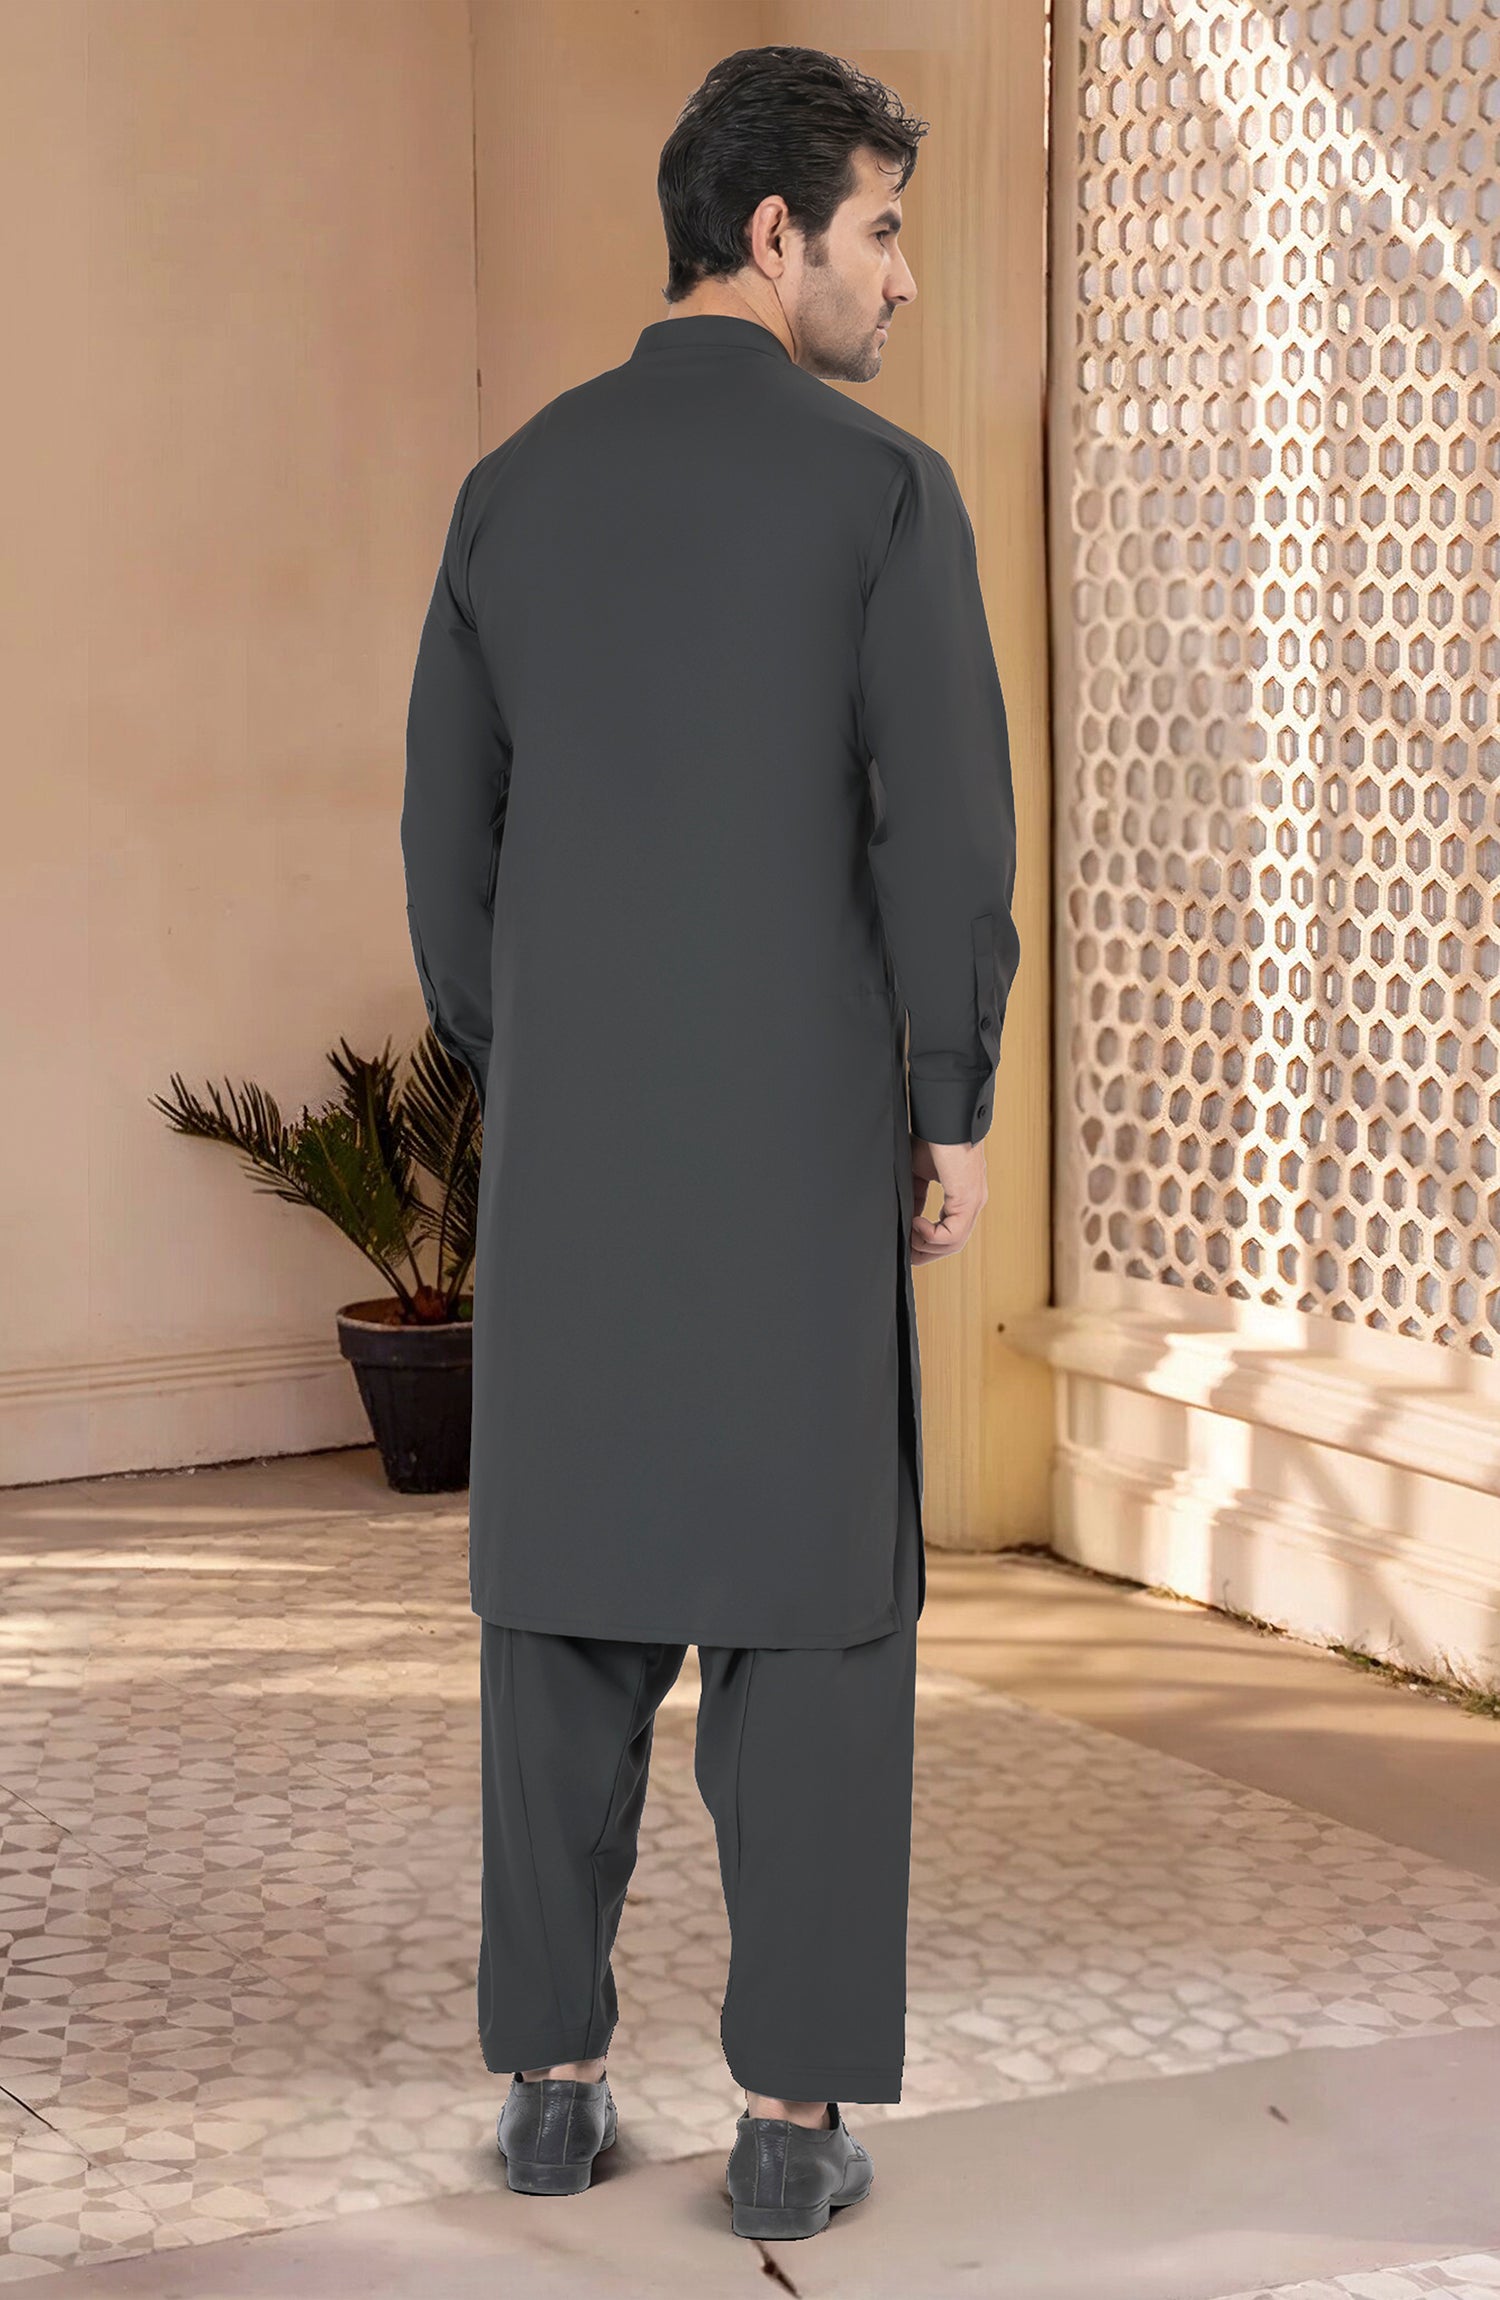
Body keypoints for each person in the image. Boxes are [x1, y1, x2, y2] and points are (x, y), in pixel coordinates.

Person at [401, 42, 1021, 2244]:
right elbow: (946, 833)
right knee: (814, 1621)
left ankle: (549, 2091)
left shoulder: (508, 494)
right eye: (881, 231)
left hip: (577, 1169)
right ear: (774, 236)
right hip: (795, 1157)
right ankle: (786, 2117)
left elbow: (445, 851)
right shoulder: (882, 495)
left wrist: (543, 1066)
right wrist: (949, 1103)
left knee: (559, 1612)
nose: (903, 278)